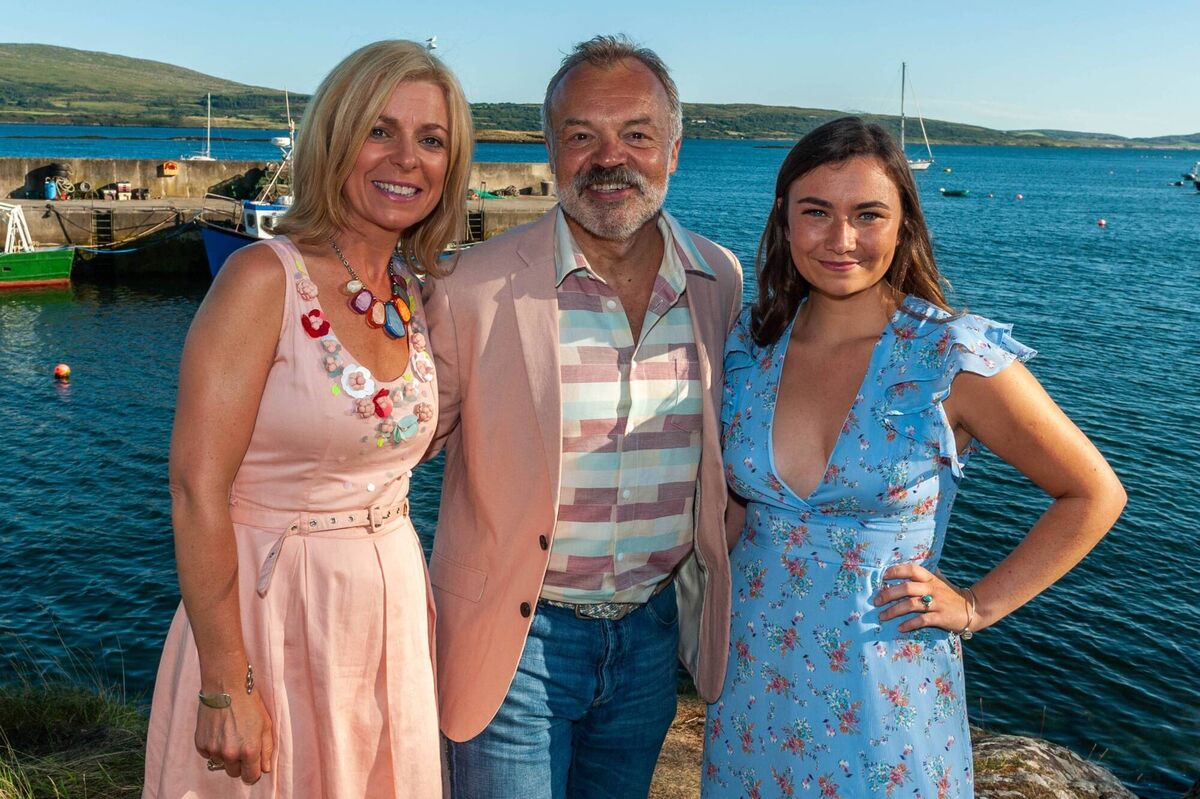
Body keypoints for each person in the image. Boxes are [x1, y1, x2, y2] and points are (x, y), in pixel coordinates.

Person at [702, 117, 1125, 798]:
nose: (841, 239)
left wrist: (979, 605)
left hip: (886, 697)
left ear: (903, 227)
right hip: (754, 686)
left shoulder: (951, 358)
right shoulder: (749, 349)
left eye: (868, 214)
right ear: (783, 222)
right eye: (816, 212)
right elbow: (728, 513)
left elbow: (1094, 493)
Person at [143, 39, 473, 798]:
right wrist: (225, 683)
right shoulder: (263, 279)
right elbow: (197, 487)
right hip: (273, 619)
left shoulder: (411, 290)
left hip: (385, 613)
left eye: (432, 140)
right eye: (379, 130)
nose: (406, 158)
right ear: (334, 138)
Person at [423, 35, 742, 798]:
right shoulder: (472, 285)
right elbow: (394, 443)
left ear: (673, 148)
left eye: (635, 133)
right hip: (515, 640)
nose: (609, 158)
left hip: (650, 636)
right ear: (550, 150)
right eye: (581, 135)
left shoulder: (717, 280)